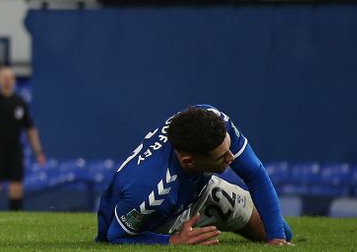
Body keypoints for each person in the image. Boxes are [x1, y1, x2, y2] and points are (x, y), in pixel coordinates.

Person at [96, 105, 294, 245]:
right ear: (189, 160)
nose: (231, 157)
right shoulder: (148, 189)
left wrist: (277, 238)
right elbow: (115, 236)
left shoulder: (212, 120)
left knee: (284, 232)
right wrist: (172, 241)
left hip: (201, 188)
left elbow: (256, 175)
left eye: (229, 147)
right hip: (159, 219)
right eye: (221, 156)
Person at [0, 67, 47, 211]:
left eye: (9, 77)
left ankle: (15, 221)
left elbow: (30, 129)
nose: (6, 80)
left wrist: (38, 151)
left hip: (15, 150)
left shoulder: (20, 103)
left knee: (17, 187)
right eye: (3, 77)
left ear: (14, 80)